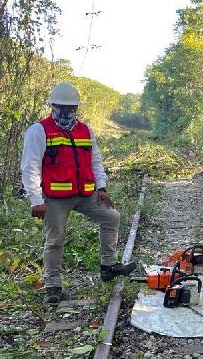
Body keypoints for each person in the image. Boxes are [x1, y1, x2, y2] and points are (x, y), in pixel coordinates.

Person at [21, 83, 135, 306]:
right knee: (55, 239)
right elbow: (30, 165)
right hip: (54, 199)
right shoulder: (39, 130)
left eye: (71, 107)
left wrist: (101, 188)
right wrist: (35, 200)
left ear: (76, 108)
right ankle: (53, 285)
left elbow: (95, 160)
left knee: (111, 217)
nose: (66, 112)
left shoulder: (85, 130)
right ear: (52, 105)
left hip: (84, 194)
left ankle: (108, 266)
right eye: (61, 107)